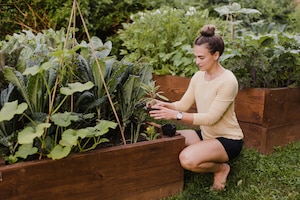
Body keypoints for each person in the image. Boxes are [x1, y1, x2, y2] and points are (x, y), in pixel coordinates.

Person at [149, 24, 244, 190]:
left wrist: (176, 116)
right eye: (195, 57)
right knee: (166, 137)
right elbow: (183, 104)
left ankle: (221, 169)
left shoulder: (228, 81)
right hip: (206, 135)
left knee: (187, 159)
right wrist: (165, 105)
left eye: (201, 57)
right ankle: (203, 154)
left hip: (227, 139)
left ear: (216, 55)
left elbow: (211, 118)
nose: (196, 62)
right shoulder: (198, 77)